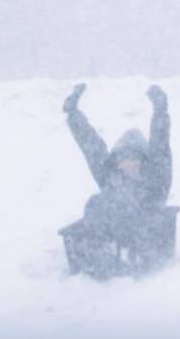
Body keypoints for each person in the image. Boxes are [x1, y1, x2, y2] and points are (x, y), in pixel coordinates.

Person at [61, 83, 172, 248]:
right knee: (97, 201)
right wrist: (73, 114)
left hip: (146, 235)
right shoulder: (110, 177)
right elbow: (92, 146)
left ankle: (120, 254)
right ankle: (96, 248)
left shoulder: (156, 179)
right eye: (123, 159)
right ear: (117, 163)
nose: (129, 164)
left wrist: (160, 110)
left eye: (134, 158)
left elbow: (160, 142)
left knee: (119, 203)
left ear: (144, 161)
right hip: (113, 231)